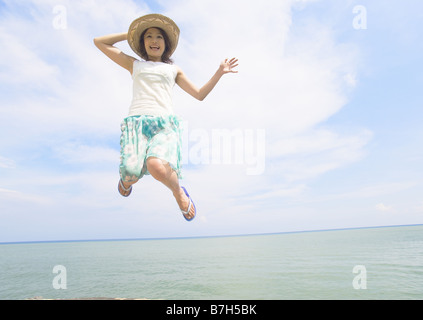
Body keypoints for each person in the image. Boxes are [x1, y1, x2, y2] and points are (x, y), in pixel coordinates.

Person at [93, 14, 238, 221]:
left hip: (164, 124)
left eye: (159, 37)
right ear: (142, 43)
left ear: (166, 43)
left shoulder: (173, 69)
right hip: (137, 124)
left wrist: (219, 72)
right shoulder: (134, 65)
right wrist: (131, 34)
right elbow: (99, 42)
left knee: (156, 165)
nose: (154, 40)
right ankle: (126, 180)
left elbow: (199, 94)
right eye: (148, 36)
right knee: (130, 173)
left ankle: (178, 192)